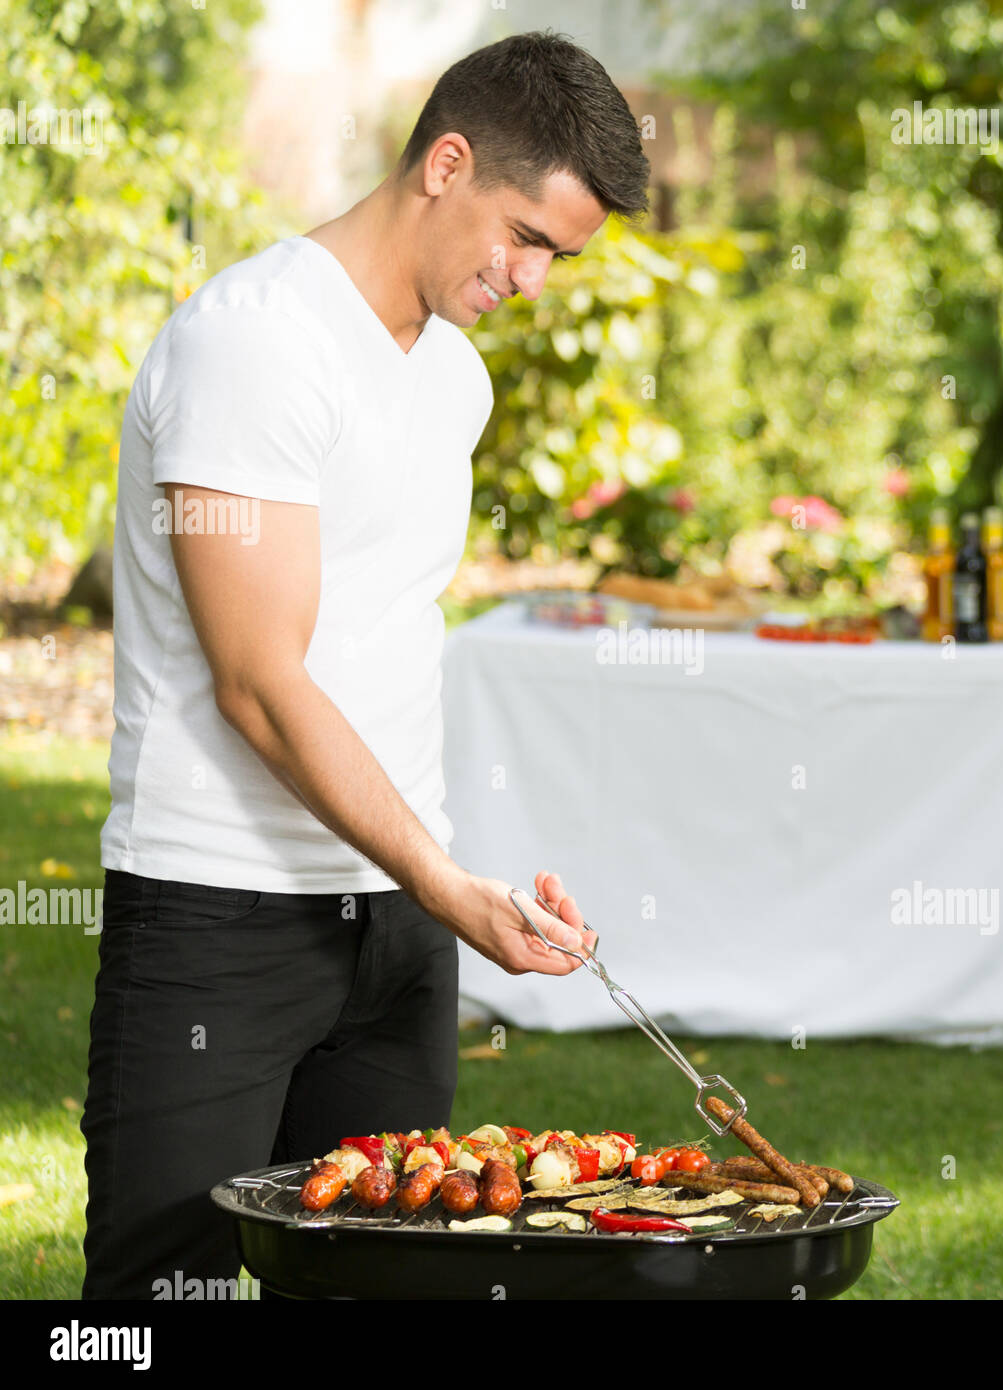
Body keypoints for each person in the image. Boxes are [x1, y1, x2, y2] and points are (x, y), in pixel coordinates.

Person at [81, 30, 651, 1299]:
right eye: (524, 236)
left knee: (390, 1286)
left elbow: (383, 626)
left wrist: (432, 898)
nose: (532, 279)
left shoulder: (451, 378)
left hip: (394, 929)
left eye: (558, 256)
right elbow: (259, 683)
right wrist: (453, 886)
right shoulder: (254, 343)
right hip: (220, 912)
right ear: (446, 162)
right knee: (159, 1299)